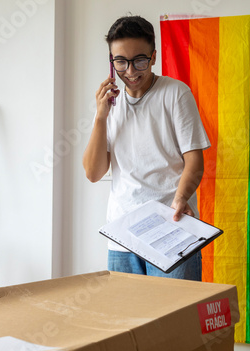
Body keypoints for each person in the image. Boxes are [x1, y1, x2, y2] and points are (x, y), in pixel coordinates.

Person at [82, 15, 210, 281]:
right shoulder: (109, 105)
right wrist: (100, 117)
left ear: (153, 57)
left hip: (172, 230)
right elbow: (93, 173)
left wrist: (181, 197)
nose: (130, 71)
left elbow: (195, 161)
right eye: (120, 62)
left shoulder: (176, 93)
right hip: (122, 236)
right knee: (127, 319)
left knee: (175, 318)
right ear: (111, 62)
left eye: (139, 60)